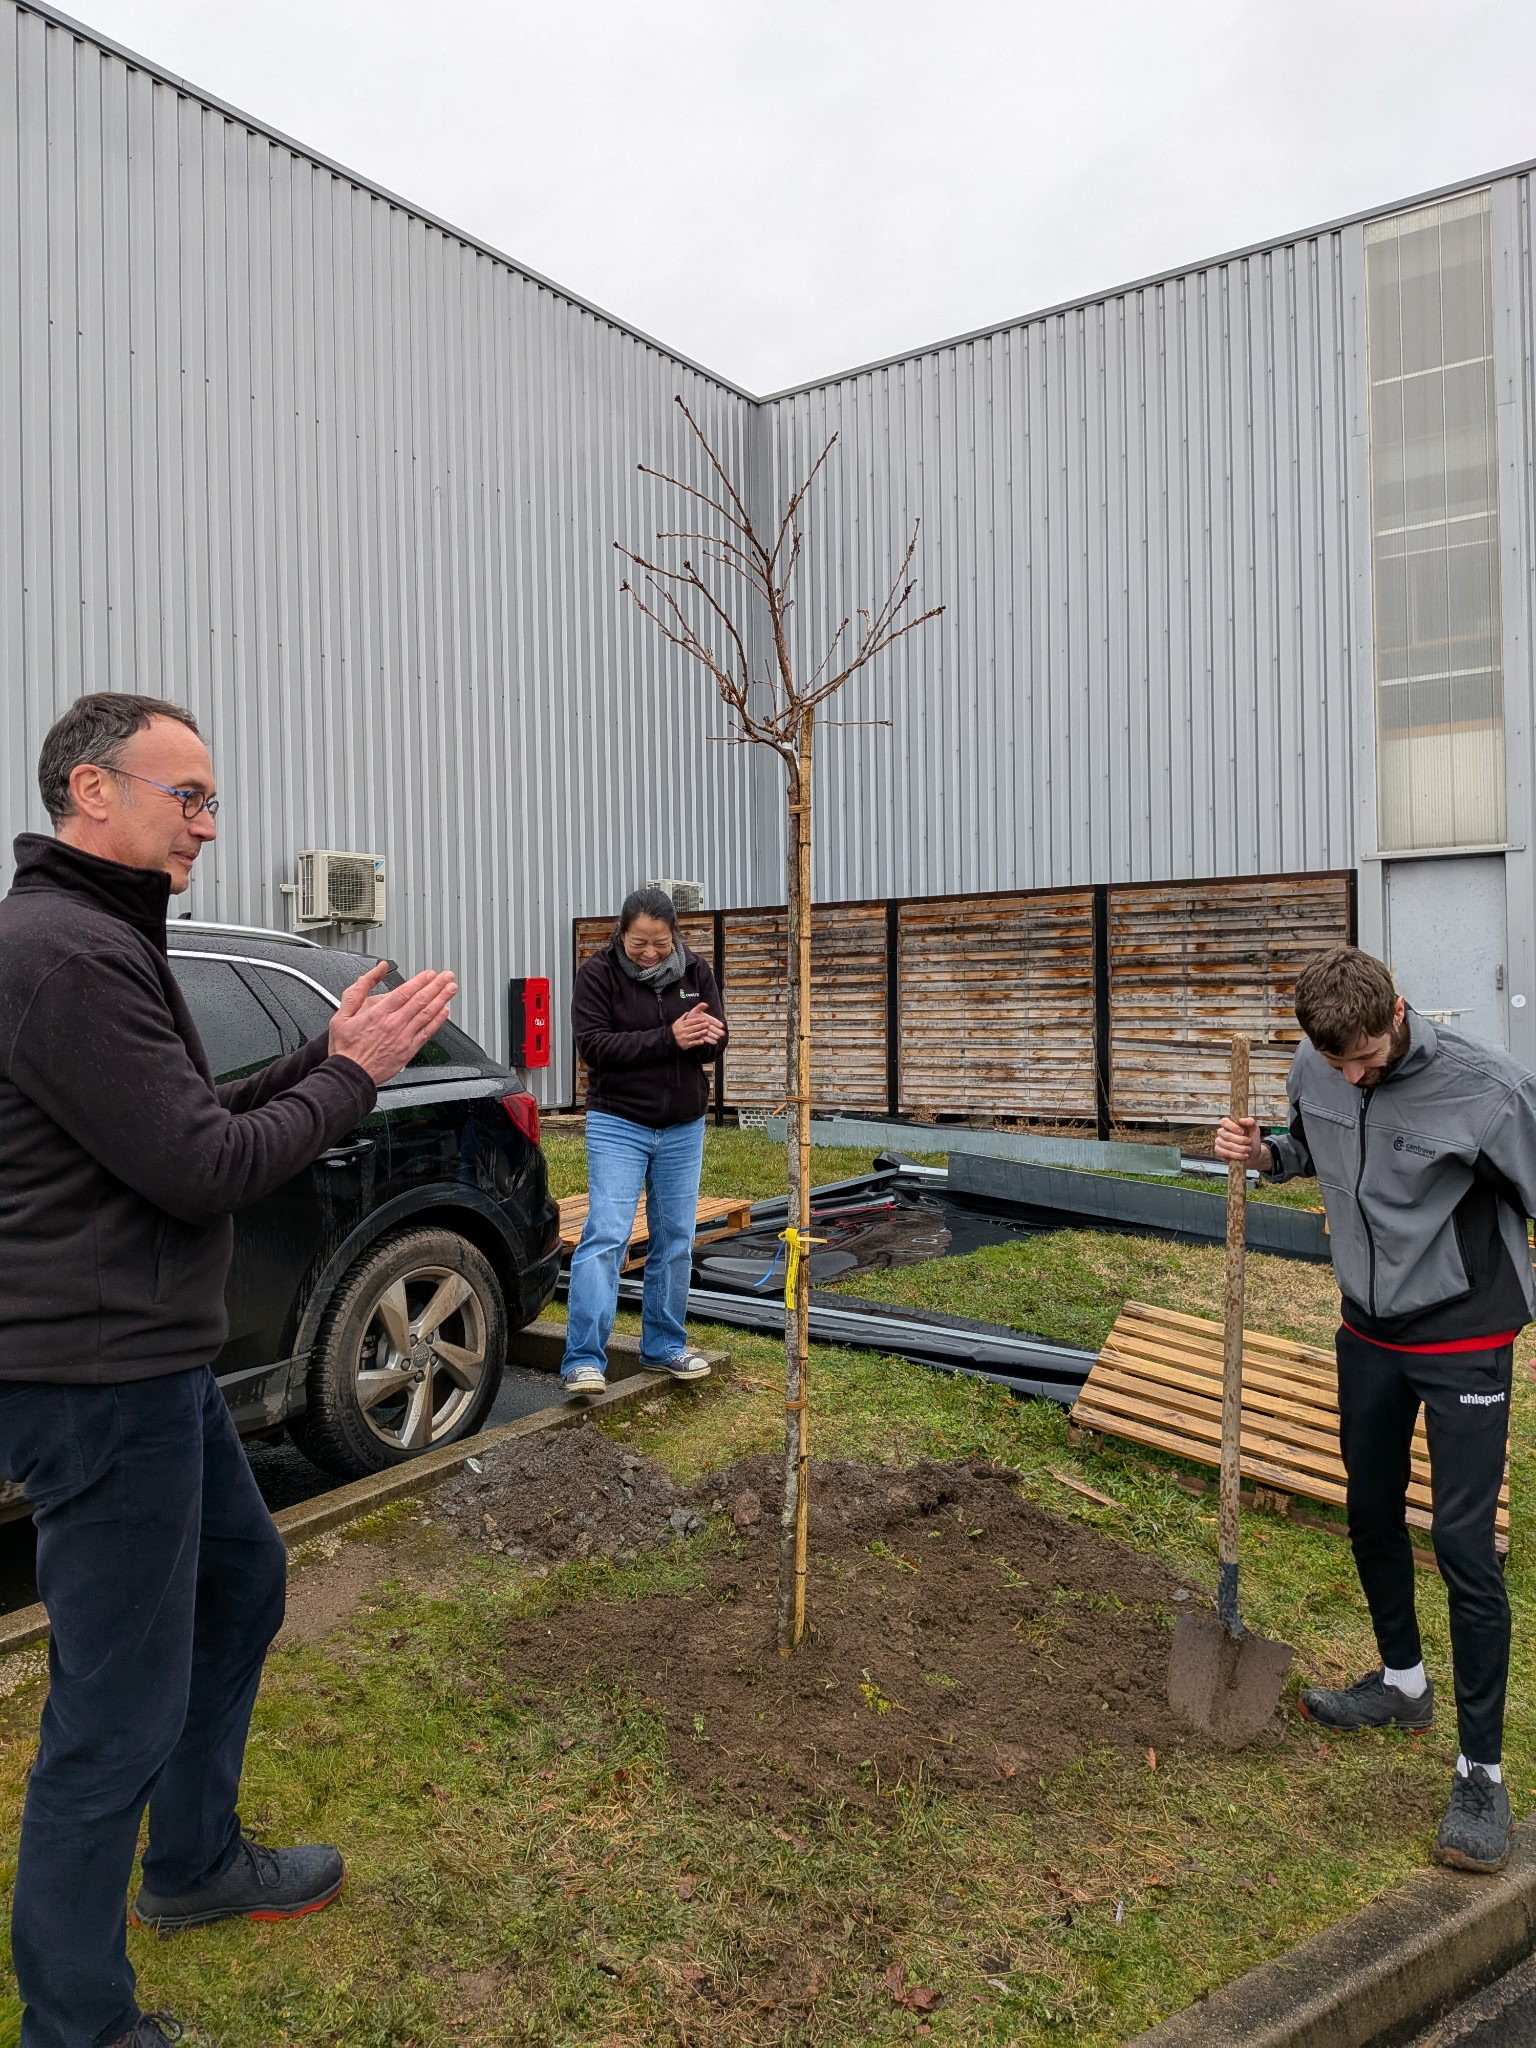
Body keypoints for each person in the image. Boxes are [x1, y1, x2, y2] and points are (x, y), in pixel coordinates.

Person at [0, 693, 458, 2048]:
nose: (209, 821)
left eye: (211, 798)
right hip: (101, 1380)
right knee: (112, 1709)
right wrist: (354, 1079)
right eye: (186, 794)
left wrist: (321, 1058)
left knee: (243, 1579)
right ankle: (79, 2023)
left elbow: (178, 1125)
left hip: (153, 1364)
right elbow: (204, 1169)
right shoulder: (66, 954)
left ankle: (195, 1863)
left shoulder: (99, 938)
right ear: (92, 790)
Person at [1215, 945, 1536, 1875]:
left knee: (1465, 1546)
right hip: (1368, 1328)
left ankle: (1481, 1774)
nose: (1352, 1076)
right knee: (1369, 1510)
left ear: (1397, 1013)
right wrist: (1265, 1155)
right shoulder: (1316, 1061)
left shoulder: (1488, 1089)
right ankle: (1402, 1683)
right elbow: (1308, 1145)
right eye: (1337, 1063)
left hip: (1465, 1333)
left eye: (1364, 1059)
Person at [561, 887, 728, 1396]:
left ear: (674, 934)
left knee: (675, 1239)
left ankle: (664, 1346)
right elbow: (593, 1046)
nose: (650, 953)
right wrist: (668, 1038)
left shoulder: (695, 970)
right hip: (619, 1123)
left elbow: (716, 1040)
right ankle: (583, 1361)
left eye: (660, 942)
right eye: (639, 943)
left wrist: (710, 1036)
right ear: (621, 934)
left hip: (683, 1125)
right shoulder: (598, 974)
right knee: (607, 1237)